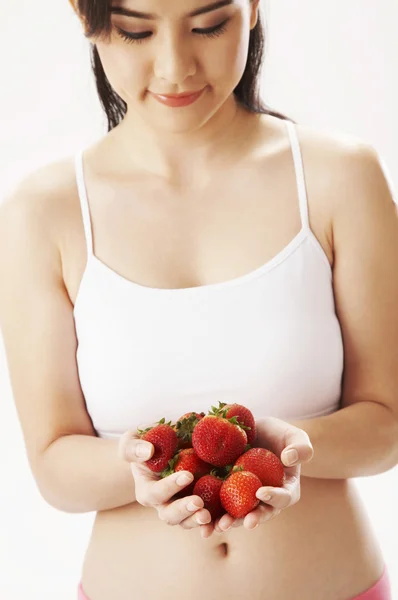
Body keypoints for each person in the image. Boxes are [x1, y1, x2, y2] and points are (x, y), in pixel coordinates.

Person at [0, 0, 397, 598]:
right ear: (86, 16)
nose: (175, 67)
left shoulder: (341, 176)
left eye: (209, 25)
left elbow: (386, 424)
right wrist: (135, 467)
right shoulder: (43, 212)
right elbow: (54, 465)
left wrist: (290, 448)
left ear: (254, 7)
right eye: (136, 31)